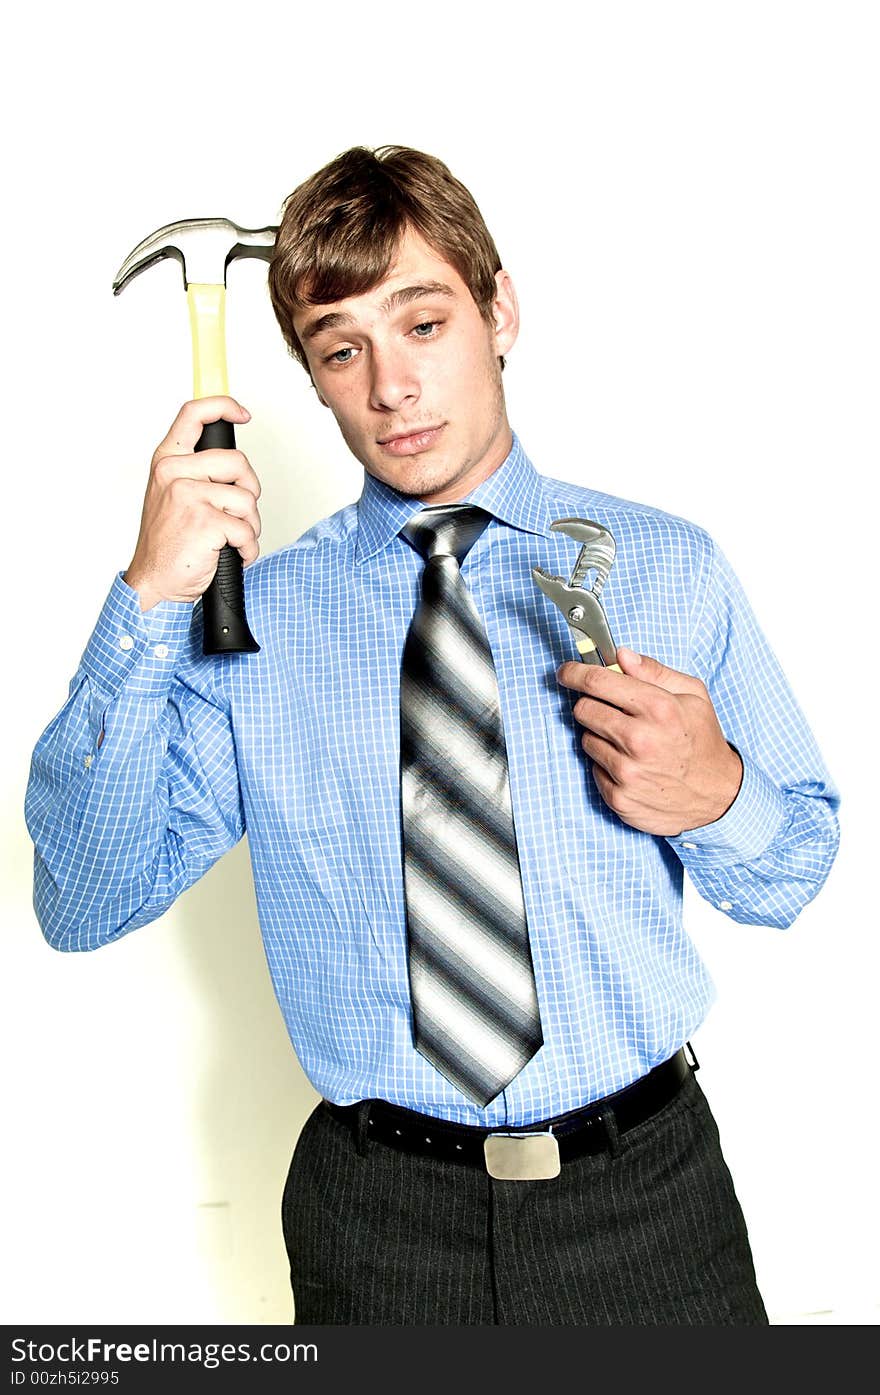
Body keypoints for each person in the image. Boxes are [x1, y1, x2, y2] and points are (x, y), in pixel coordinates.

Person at [25, 145, 839, 1326]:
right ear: (308, 379)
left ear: (498, 310)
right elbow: (82, 899)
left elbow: (793, 874)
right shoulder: (248, 626)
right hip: (379, 1229)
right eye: (341, 350)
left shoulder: (665, 568)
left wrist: (715, 792)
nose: (391, 388)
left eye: (422, 324)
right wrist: (148, 600)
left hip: (649, 1207)